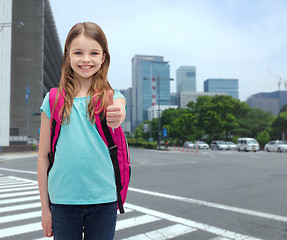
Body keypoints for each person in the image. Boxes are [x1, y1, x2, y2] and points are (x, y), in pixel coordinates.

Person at [37, 22, 126, 240]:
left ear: (103, 57)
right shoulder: (52, 99)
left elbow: (119, 107)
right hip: (62, 201)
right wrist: (45, 209)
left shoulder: (111, 97)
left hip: (104, 199)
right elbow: (42, 157)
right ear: (68, 56)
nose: (86, 59)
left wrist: (119, 113)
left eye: (93, 53)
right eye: (78, 52)